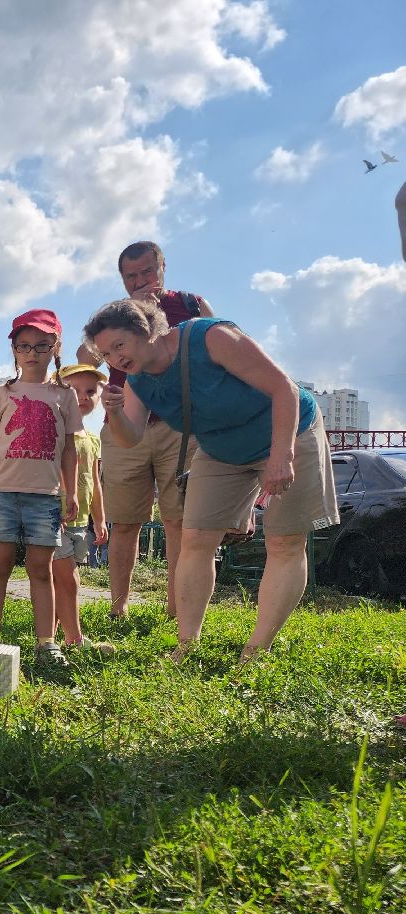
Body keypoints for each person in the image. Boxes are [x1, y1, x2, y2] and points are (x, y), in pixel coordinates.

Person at [86, 299, 338, 660]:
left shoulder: (210, 338)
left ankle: (256, 650)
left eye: (119, 345)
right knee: (195, 538)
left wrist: (281, 456)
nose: (115, 359)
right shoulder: (137, 381)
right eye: (106, 353)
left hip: (288, 433)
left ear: (146, 329)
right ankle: (186, 646)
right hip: (221, 448)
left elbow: (285, 389)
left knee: (284, 542)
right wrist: (115, 412)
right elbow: (130, 438)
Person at [91, 241, 215, 621]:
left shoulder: (192, 305)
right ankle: (118, 607)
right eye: (131, 276)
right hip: (124, 425)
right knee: (125, 521)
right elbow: (86, 358)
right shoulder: (114, 317)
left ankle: (175, 611)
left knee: (178, 522)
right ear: (122, 279)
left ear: (162, 268)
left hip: (180, 427)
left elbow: (216, 351)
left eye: (147, 271)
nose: (140, 281)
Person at [0, 310, 82, 666]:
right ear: (15, 350)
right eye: (24, 346)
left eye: (42, 346)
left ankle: (46, 643)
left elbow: (70, 450)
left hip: (45, 498)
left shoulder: (65, 396)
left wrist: (72, 492)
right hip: (2, 493)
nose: (32, 353)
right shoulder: (2, 394)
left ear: (56, 348)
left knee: (40, 569)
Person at [52, 363, 114, 655]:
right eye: (74, 390)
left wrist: (99, 520)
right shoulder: (54, 433)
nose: (83, 397)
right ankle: (74, 640)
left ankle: (48, 638)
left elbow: (95, 483)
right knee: (69, 579)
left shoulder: (92, 439)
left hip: (80, 522)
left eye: (90, 391)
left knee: (62, 579)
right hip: (55, 519)